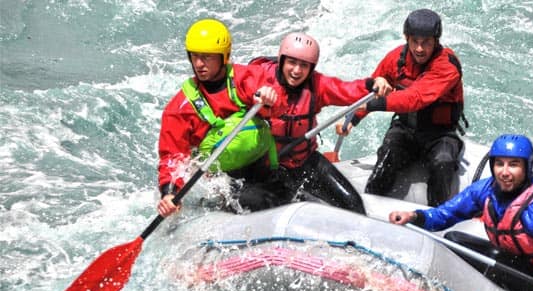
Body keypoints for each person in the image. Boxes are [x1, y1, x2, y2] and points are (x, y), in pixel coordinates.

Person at [389, 134, 533, 291]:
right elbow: (445, 214)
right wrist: (414, 216)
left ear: (527, 168)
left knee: (492, 264)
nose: (504, 172)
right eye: (499, 164)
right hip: (514, 263)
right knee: (454, 240)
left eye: (513, 165)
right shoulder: (486, 190)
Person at [244, 32, 393, 214]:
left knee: (354, 205)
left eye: (304, 65)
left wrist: (372, 84)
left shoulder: (317, 85)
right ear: (282, 60)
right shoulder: (259, 78)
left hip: (305, 161)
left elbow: (346, 90)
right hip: (266, 168)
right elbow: (230, 91)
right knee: (269, 207)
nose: (297, 71)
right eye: (292, 62)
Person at [336, 8, 466, 206]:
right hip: (406, 129)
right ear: (407, 38)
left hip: (440, 134)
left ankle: (438, 216)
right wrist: (352, 119)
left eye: (426, 43)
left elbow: (414, 98)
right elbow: (372, 90)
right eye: (415, 41)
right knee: (387, 155)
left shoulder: (447, 66)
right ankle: (367, 209)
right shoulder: (396, 58)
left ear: (436, 41)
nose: (420, 49)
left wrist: (374, 105)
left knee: (443, 162)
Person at [157, 19, 273, 218]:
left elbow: (277, 100)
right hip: (226, 185)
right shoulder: (180, 109)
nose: (199, 64)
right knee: (259, 200)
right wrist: (169, 194)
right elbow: (172, 157)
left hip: (263, 166)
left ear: (224, 57)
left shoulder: (246, 78)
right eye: (195, 57)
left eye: (207, 57)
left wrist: (270, 97)